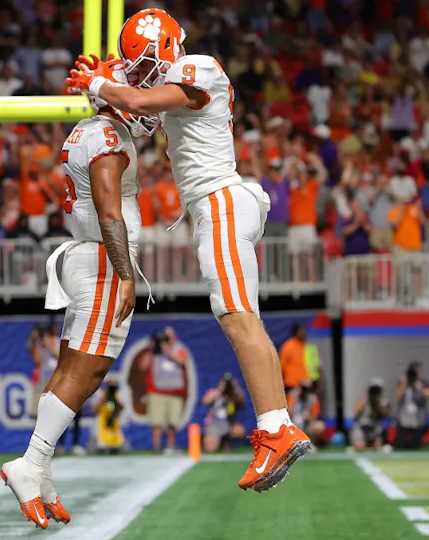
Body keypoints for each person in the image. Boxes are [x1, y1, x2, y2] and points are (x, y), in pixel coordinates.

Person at [66, 10, 312, 492]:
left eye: (144, 62)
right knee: (243, 317)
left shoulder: (199, 69)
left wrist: (103, 85)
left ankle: (277, 428)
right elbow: (137, 107)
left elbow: (136, 97)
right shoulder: (175, 80)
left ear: (167, 51)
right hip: (216, 206)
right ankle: (277, 425)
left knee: (238, 318)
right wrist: (105, 83)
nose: (138, 71)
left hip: (220, 202)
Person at [0, 60, 156, 529]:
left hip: (89, 257)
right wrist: (126, 274)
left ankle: (39, 468)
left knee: (72, 366)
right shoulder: (107, 138)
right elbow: (110, 212)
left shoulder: (88, 131)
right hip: (104, 261)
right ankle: (30, 462)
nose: (141, 96)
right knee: (88, 371)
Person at [202, 373, 246, 452]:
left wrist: (235, 387)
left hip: (228, 425)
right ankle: (221, 442)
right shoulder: (215, 392)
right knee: (210, 448)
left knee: (239, 430)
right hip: (214, 426)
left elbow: (242, 402)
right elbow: (205, 401)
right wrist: (220, 390)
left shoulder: (233, 396)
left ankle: (227, 441)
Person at [393, 362, 429, 449]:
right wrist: (406, 384)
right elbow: (398, 395)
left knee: (416, 446)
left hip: (418, 417)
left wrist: (417, 386)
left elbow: (427, 394)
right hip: (404, 417)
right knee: (400, 446)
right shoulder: (402, 382)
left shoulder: (423, 382)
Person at [89, 379, 130, 454]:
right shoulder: (101, 395)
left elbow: (121, 408)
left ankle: (113, 447)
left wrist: (115, 399)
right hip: (102, 424)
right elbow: (94, 410)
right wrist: (104, 398)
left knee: (121, 445)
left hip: (114, 425)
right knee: (99, 443)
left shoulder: (118, 396)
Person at [350, 378, 390, 451]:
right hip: (362, 428)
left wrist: (378, 402)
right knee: (359, 446)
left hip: (375, 429)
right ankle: (366, 447)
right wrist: (367, 398)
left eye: (377, 391)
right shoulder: (363, 399)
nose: (375, 393)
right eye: (373, 390)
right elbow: (356, 410)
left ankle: (369, 447)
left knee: (377, 445)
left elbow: (387, 413)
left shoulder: (383, 401)